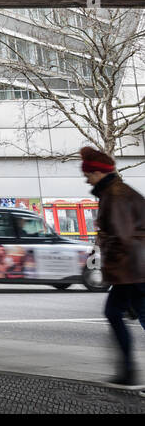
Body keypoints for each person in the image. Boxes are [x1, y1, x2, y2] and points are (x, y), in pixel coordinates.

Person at [81, 146, 145, 388]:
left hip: (131, 269)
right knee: (141, 313)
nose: (85, 178)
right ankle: (127, 370)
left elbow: (123, 236)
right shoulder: (122, 191)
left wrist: (105, 244)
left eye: (88, 173)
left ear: (98, 172)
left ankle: (128, 371)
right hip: (138, 266)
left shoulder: (113, 196)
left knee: (113, 313)